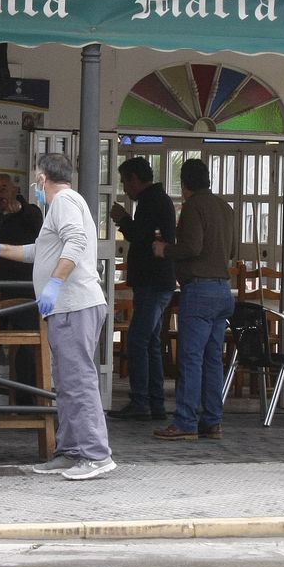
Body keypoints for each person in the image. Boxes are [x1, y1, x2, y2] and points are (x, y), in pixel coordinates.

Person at [0, 153, 115, 481]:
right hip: (66, 307)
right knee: (65, 383)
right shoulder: (62, 205)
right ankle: (71, 451)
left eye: (36, 178)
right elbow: (39, 251)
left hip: (74, 304)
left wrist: (54, 283)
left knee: (78, 381)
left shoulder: (63, 201)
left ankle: (96, 454)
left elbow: (76, 242)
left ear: (42, 178)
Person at [152, 158, 236, 442]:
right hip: (223, 290)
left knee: (190, 358)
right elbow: (232, 250)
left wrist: (165, 249)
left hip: (199, 290)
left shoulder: (193, 207)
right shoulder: (225, 207)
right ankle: (212, 421)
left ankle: (185, 421)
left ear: (184, 183)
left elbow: (192, 247)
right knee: (213, 359)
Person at [106, 157, 177, 421]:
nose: (125, 189)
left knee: (138, 340)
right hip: (157, 281)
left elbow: (141, 235)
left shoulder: (151, 201)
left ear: (135, 179)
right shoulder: (158, 199)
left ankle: (141, 402)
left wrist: (123, 219)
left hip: (152, 282)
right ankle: (154, 403)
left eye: (125, 182)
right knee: (151, 342)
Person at [0, 172, 45, 390]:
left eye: (3, 189)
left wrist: (19, 210)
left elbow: (42, 241)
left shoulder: (31, 212)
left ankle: (26, 398)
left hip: (26, 292)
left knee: (28, 348)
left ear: (15, 190)